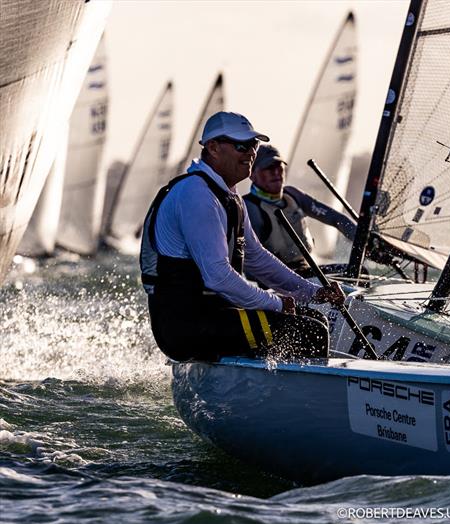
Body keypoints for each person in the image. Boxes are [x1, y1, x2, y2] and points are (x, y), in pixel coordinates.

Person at [140, 111, 345, 362]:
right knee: (308, 331)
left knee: (314, 319)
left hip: (213, 313)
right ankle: (299, 397)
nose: (250, 152)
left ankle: (268, 385)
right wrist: (277, 303)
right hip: (184, 326)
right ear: (213, 148)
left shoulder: (229, 196)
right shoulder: (196, 195)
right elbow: (218, 277)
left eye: (254, 145)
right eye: (241, 145)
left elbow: (257, 258)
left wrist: (313, 292)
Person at [243, 144, 356, 277]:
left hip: (305, 271)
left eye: (279, 167)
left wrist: (366, 242)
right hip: (273, 280)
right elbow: (248, 260)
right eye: (269, 168)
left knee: (357, 271)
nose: (276, 172)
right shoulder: (249, 208)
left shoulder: (293, 195)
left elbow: (336, 219)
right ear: (252, 174)